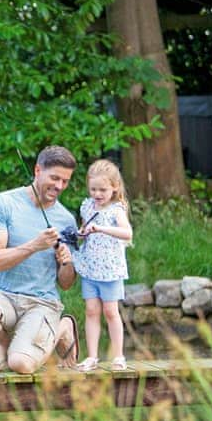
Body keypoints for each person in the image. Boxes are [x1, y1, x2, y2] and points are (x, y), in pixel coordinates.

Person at [0, 145, 80, 374]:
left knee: (21, 365)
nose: (59, 186)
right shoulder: (2, 203)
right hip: (3, 297)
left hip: (42, 303)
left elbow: (66, 283)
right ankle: (4, 344)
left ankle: (63, 327)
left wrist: (67, 263)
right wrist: (34, 246)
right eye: (54, 178)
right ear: (37, 170)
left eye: (65, 181)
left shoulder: (66, 219)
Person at [72, 159, 133, 372]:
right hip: (90, 267)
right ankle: (92, 356)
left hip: (110, 270)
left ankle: (118, 356)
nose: (97, 194)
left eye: (102, 190)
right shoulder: (87, 206)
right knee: (91, 310)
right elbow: (85, 227)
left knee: (110, 311)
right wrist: (82, 232)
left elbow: (127, 233)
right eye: (93, 189)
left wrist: (102, 228)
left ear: (114, 187)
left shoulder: (116, 210)